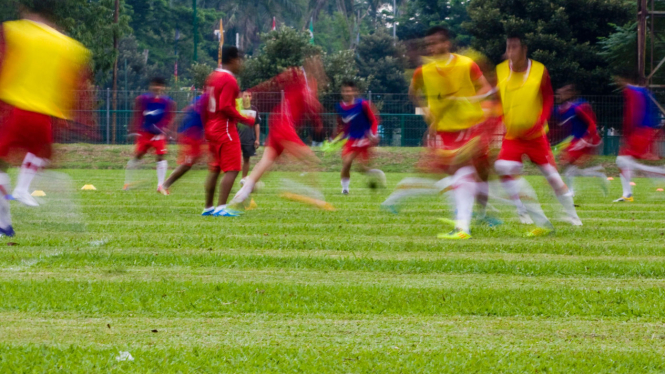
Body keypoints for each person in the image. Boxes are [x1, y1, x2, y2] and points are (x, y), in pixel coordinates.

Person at [0, 0, 90, 236]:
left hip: (15, 110)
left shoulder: (15, 30)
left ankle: (4, 221)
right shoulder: (68, 46)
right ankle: (20, 193)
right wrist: (77, 122)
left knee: (1, 165)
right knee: (41, 155)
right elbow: (75, 87)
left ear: (28, 11)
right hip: (45, 117)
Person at [405, 26, 492, 239]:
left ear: (446, 43)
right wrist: (425, 110)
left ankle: (478, 214)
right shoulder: (423, 71)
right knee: (458, 173)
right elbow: (413, 93)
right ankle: (463, 223)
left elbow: (485, 89)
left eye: (435, 43)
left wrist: (469, 101)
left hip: (470, 126)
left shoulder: (466, 64)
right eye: (429, 44)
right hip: (444, 131)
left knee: (481, 174)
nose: (432, 47)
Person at [494, 33, 581, 236]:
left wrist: (541, 120)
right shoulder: (500, 70)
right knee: (504, 169)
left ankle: (573, 216)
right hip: (513, 136)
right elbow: (498, 100)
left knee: (552, 177)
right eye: (508, 47)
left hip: (535, 137)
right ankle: (522, 211)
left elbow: (548, 97)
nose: (510, 52)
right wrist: (499, 122)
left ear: (524, 49)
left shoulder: (539, 70)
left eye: (514, 47)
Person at [226, 58, 332, 214]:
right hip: (283, 124)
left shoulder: (312, 87)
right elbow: (276, 81)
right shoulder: (298, 77)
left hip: (281, 123)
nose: (319, 74)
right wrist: (253, 91)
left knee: (266, 164)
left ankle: (241, 196)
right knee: (311, 159)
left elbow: (310, 107)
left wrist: (318, 122)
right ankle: (315, 197)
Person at [202, 46, 256, 217]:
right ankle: (221, 208)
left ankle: (208, 207)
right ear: (233, 60)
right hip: (224, 127)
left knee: (215, 169)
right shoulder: (230, 80)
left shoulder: (212, 77)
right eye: (240, 60)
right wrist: (245, 119)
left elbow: (204, 104)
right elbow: (225, 106)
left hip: (212, 127)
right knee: (233, 168)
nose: (241, 64)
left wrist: (206, 127)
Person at [613, 72, 665, 202]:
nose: (617, 81)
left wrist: (626, 134)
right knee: (622, 161)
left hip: (639, 132)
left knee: (623, 161)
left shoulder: (633, 92)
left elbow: (632, 115)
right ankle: (627, 194)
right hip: (643, 132)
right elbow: (654, 115)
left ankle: (661, 174)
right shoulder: (646, 93)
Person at [553, 83, 607, 196]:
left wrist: (590, 138)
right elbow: (557, 117)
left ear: (571, 93)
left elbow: (592, 123)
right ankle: (598, 173)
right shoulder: (565, 107)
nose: (560, 95)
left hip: (586, 139)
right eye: (559, 93)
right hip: (576, 140)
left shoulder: (581, 106)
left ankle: (571, 191)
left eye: (563, 93)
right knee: (570, 166)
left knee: (566, 162)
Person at [123, 77, 175, 194]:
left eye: (160, 85)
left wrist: (166, 129)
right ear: (151, 86)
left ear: (163, 87)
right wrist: (134, 129)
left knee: (161, 156)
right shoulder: (143, 99)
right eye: (155, 85)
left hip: (158, 134)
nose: (157, 87)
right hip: (145, 133)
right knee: (138, 156)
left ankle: (160, 185)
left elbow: (169, 117)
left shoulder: (167, 101)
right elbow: (137, 114)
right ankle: (127, 183)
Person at [335, 80, 384, 195]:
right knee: (357, 168)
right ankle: (372, 174)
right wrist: (337, 137)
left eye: (348, 91)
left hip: (363, 138)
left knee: (347, 162)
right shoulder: (340, 107)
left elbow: (373, 120)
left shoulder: (362, 104)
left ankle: (345, 190)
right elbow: (342, 125)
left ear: (354, 92)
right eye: (344, 91)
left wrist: (374, 134)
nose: (346, 93)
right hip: (351, 139)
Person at [160, 93, 207, 194]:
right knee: (187, 164)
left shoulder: (208, 98)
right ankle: (164, 185)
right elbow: (187, 112)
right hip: (190, 135)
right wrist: (170, 128)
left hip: (198, 135)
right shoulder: (203, 99)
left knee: (211, 159)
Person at [238, 91, 261, 185]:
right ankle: (229, 179)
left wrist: (257, 139)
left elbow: (257, 125)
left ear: (251, 98)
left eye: (249, 96)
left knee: (246, 159)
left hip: (249, 139)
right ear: (241, 96)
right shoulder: (237, 108)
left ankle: (243, 179)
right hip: (236, 139)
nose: (247, 97)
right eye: (245, 95)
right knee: (233, 160)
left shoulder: (254, 109)